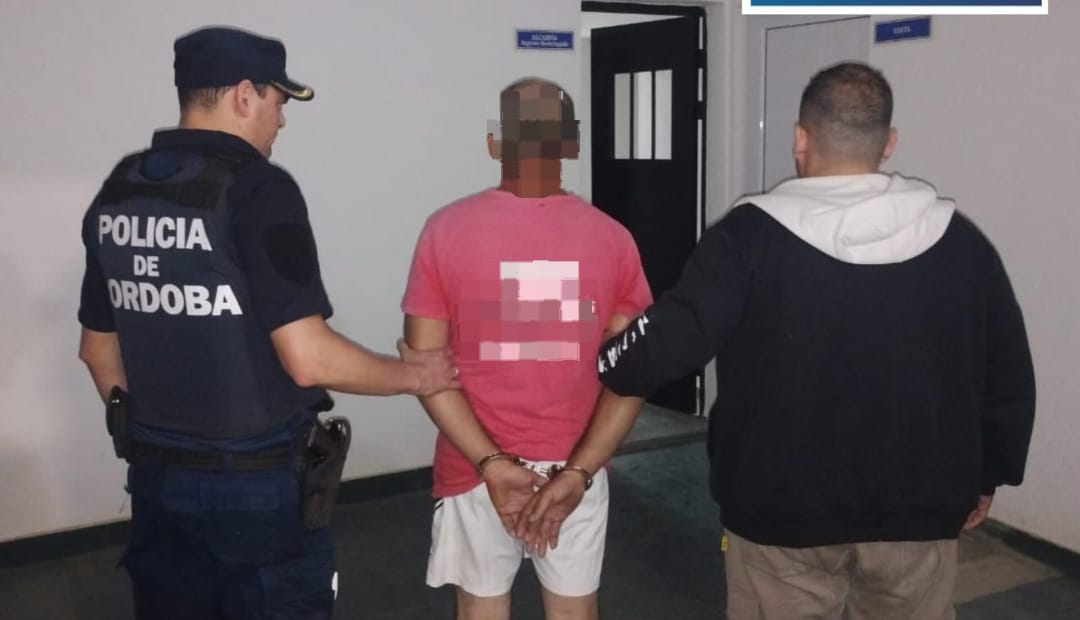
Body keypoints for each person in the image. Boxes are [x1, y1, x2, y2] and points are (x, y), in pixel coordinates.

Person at [521, 61, 1038, 619]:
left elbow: (659, 351)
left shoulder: (748, 238)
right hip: (920, 512)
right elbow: (1008, 374)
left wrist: (612, 350)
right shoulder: (960, 242)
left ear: (800, 139)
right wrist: (989, 475)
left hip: (780, 515)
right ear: (888, 143)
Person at [76, 25, 459, 620]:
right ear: (244, 95)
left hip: (155, 480)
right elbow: (309, 357)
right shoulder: (258, 187)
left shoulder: (122, 188)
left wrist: (160, 439)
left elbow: (97, 353)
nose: (281, 121)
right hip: (254, 489)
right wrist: (416, 376)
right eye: (279, 102)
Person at [398, 77, 653, 619]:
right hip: (575, 468)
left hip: (474, 466)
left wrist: (492, 463)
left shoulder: (444, 231)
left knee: (481, 609)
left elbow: (425, 371)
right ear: (572, 143)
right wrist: (577, 473)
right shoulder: (614, 240)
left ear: (496, 142)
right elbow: (634, 376)